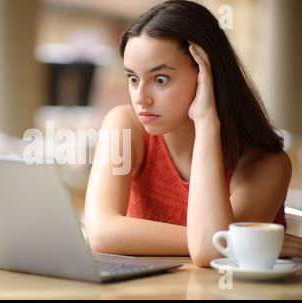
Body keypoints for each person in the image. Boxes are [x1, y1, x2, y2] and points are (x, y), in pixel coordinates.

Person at [84, 0, 302, 267]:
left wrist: (207, 122)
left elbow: (211, 253)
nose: (141, 98)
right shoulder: (125, 127)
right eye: (133, 78)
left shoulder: (267, 164)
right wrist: (228, 241)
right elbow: (100, 233)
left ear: (206, 75)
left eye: (160, 79)